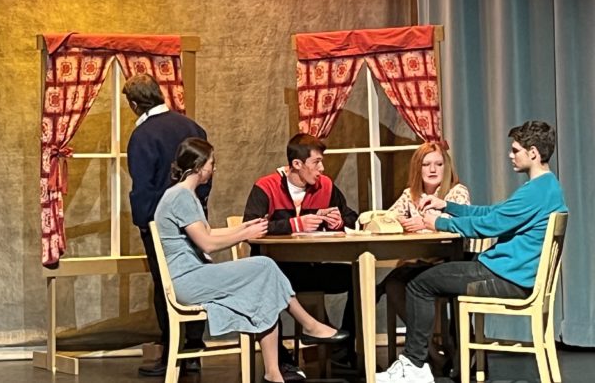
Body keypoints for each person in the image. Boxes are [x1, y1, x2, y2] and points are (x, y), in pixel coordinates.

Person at [376, 120, 568, 383]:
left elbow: (489, 226)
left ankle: (414, 365)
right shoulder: (546, 187)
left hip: (505, 277)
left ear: (533, 153)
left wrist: (439, 222)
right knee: (419, 278)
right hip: (509, 274)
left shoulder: (536, 191)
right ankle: (430, 360)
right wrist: (448, 207)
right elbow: (492, 212)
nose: (510, 155)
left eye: (515, 150)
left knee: (419, 285)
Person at [154, 137, 349, 383]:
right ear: (199, 166)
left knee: (263, 287)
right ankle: (309, 325)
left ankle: (274, 373)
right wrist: (245, 235)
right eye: (212, 163)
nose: (214, 168)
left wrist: (245, 227)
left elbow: (209, 232)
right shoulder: (180, 196)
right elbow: (207, 243)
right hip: (188, 280)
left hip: (196, 275)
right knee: (265, 265)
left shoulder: (185, 195)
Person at [243, 133, 358, 379]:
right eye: (316, 162)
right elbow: (250, 227)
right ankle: (282, 363)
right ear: (297, 164)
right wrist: (295, 224)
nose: (322, 169)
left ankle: (343, 353)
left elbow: (351, 217)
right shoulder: (266, 187)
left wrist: (339, 221)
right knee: (266, 284)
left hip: (309, 269)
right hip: (275, 272)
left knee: (356, 278)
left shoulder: (325, 186)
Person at [125, 74, 211, 377]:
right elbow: (206, 173)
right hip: (194, 217)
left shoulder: (143, 135)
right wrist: (199, 207)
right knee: (196, 278)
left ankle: (172, 351)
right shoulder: (192, 126)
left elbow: (143, 186)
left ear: (134, 104)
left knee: (166, 286)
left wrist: (144, 222)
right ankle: (194, 349)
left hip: (159, 222)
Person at [376, 142, 469, 372]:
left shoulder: (456, 191)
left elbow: (459, 223)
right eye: (426, 164)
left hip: (449, 262)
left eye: (438, 164)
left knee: (411, 282)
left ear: (446, 167)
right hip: (418, 262)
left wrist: (426, 224)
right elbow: (388, 217)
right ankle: (431, 352)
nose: (433, 169)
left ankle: (439, 354)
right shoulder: (410, 194)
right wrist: (401, 221)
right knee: (393, 284)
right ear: (418, 168)